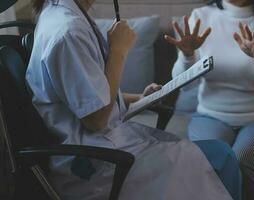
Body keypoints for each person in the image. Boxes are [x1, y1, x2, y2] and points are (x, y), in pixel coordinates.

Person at [26, 0, 239, 199]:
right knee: (221, 157)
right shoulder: (69, 32)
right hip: (95, 164)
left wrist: (139, 98)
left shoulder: (67, 16)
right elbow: (96, 119)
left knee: (218, 154)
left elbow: (86, 95)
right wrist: (118, 51)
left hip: (105, 148)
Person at [166, 0, 254, 199]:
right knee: (209, 162)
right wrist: (188, 55)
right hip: (211, 116)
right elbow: (182, 85)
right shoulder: (201, 16)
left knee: (245, 160)